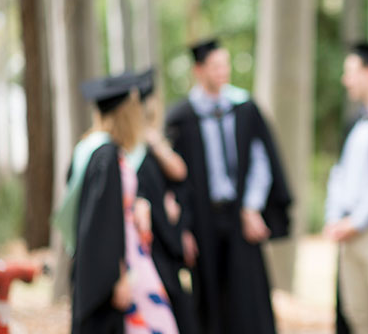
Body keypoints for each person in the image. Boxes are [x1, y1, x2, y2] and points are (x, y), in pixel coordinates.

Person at [165, 38, 292, 334]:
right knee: (208, 296)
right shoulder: (181, 117)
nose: (223, 72)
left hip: (239, 214)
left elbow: (263, 161)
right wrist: (182, 227)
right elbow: (173, 181)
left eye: (226, 65)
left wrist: (252, 207)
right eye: (215, 66)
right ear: (199, 70)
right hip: (202, 218)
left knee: (248, 294)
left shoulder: (244, 108)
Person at [55, 73, 179, 333]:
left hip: (108, 260)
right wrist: (118, 276)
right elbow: (105, 224)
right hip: (119, 265)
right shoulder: (107, 155)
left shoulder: (88, 148)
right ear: (127, 114)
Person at [323, 43, 368, 334]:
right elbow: (339, 172)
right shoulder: (355, 120)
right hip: (346, 230)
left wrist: (355, 222)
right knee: (356, 313)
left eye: (350, 72)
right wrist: (334, 218)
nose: (346, 80)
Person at [135, 68, 199, 334]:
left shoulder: (154, 142)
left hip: (163, 240)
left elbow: (180, 173)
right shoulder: (130, 150)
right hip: (152, 244)